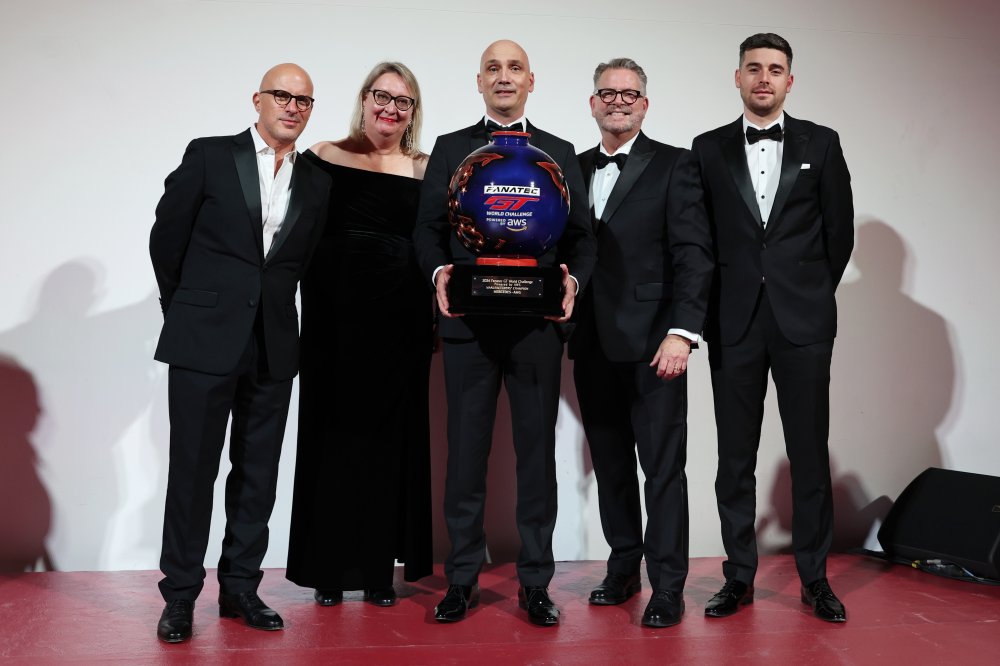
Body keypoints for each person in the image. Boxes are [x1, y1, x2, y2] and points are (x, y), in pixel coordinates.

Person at [413, 39, 596, 626]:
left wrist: (571, 283)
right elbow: (427, 230)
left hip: (536, 327)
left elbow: (582, 237)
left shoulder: (558, 152)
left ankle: (535, 583)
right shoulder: (451, 149)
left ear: (531, 80)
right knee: (465, 457)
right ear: (479, 81)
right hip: (468, 325)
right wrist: (440, 274)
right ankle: (461, 580)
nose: (504, 76)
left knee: (536, 458)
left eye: (514, 67)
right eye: (493, 68)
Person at [149, 63, 331, 643]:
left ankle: (241, 588)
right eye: (282, 95)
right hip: (203, 340)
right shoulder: (209, 155)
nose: (293, 107)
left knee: (258, 475)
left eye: (304, 100)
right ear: (258, 100)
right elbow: (166, 239)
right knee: (192, 473)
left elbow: (305, 263)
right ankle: (181, 595)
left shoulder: (318, 180)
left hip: (273, 344)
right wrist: (186, 309)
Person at [691, 33, 854, 623]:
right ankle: (739, 577)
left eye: (775, 69)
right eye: (754, 68)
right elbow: (699, 239)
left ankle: (815, 579)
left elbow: (839, 234)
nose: (764, 77)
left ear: (790, 80)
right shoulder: (706, 148)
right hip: (733, 321)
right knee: (734, 458)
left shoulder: (822, 142)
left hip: (803, 323)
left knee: (809, 453)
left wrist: (805, 292)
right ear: (737, 77)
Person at [571, 58, 713, 628]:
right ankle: (623, 567)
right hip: (589, 341)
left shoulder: (676, 164)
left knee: (663, 471)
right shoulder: (572, 167)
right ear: (593, 103)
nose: (618, 101)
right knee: (610, 466)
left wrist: (682, 333)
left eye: (629, 94)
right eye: (607, 93)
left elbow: (694, 255)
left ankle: (669, 585)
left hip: (657, 343)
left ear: (645, 105)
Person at [285, 62, 433, 607]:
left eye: (403, 101)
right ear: (364, 99)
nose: (390, 108)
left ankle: (376, 571)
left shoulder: (426, 168)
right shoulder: (322, 155)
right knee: (330, 439)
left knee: (388, 443)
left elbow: (437, 244)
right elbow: (290, 230)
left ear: (413, 112)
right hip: (332, 321)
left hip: (401, 323)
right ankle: (327, 569)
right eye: (382, 96)